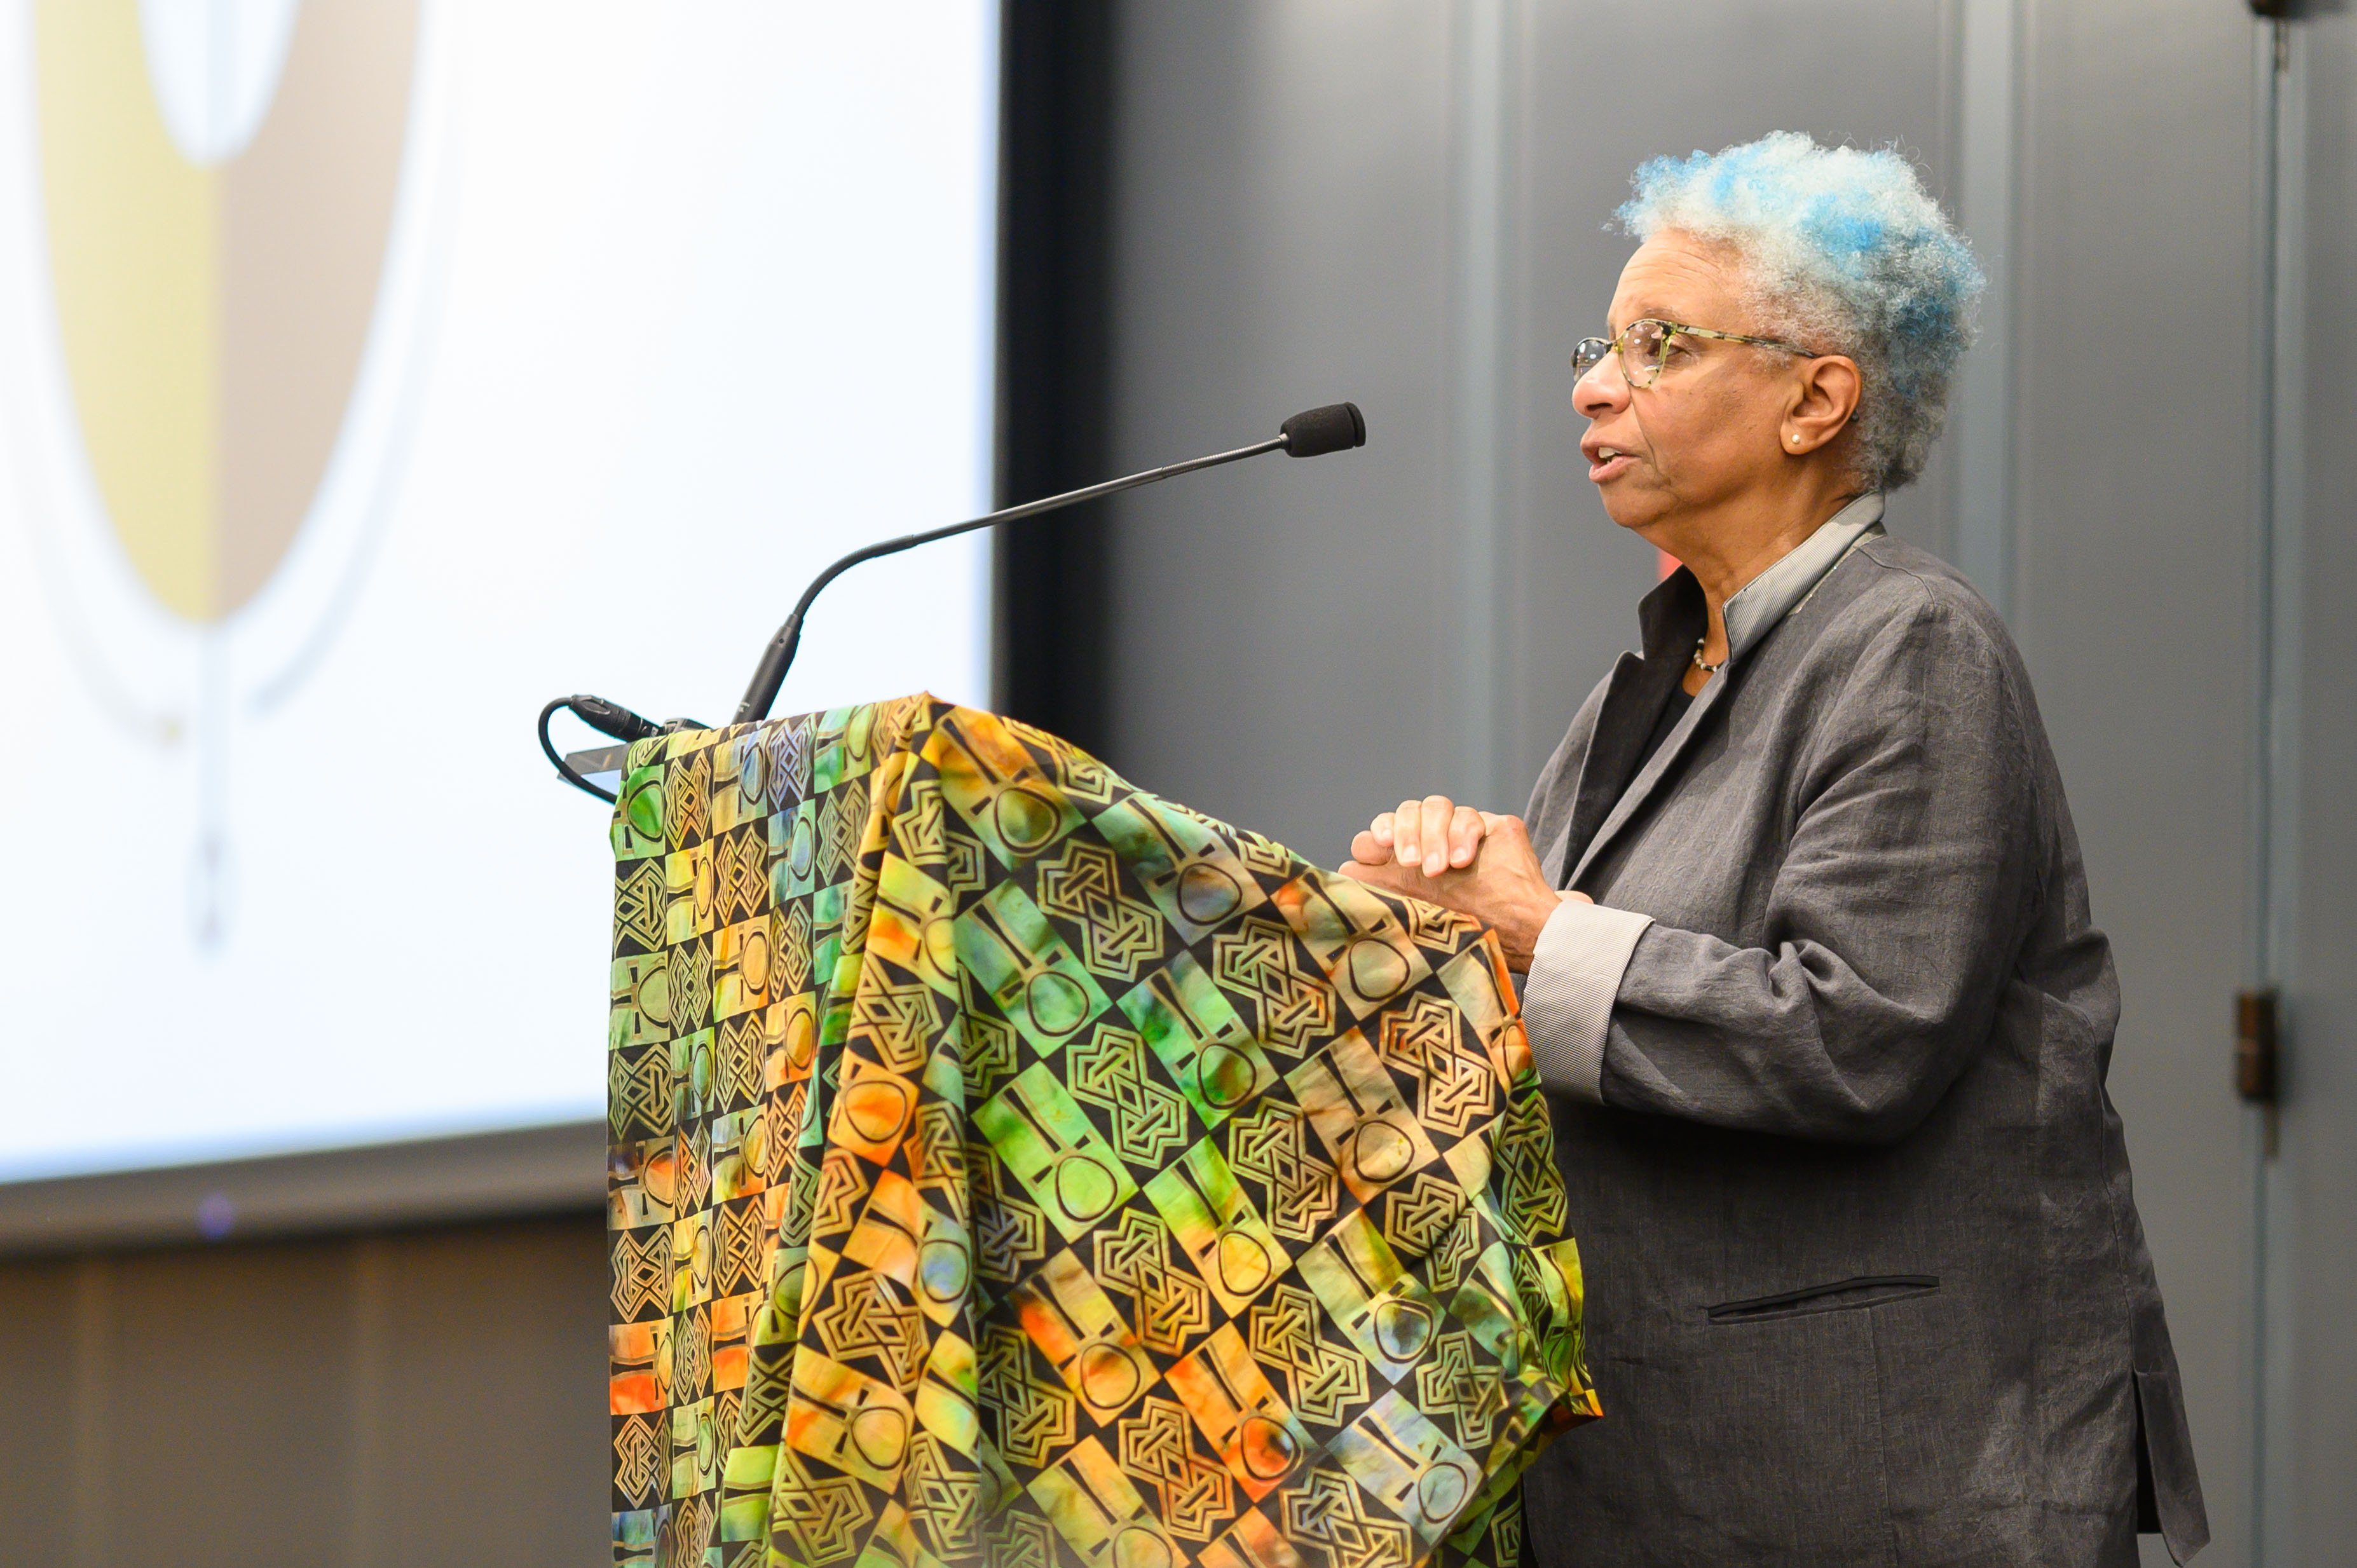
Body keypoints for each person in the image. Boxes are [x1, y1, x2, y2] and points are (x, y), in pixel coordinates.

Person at [1339, 133, 2207, 1566]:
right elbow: (1548, 980)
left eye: (1656, 344)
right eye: (1598, 345)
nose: (1593, 385)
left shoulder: (1913, 645)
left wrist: (1534, 929)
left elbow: (1856, 1033)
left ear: (1818, 399)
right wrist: (1421, 913)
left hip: (1892, 1472)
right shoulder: (1665, 669)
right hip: (1682, 1466)